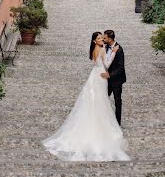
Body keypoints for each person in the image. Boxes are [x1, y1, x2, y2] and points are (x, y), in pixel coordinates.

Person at [43, 32, 129, 162]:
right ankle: (101, 124)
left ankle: (99, 120)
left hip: (95, 75)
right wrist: (114, 52)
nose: (102, 40)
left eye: (103, 38)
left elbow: (97, 63)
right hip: (101, 76)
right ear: (95, 41)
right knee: (100, 101)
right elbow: (107, 64)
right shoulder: (100, 49)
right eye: (99, 38)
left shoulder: (94, 49)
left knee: (96, 100)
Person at [102, 30, 126, 126]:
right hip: (106, 81)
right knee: (103, 99)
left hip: (116, 80)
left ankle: (117, 123)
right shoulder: (105, 46)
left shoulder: (119, 50)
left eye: (105, 38)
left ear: (110, 39)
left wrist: (110, 75)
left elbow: (121, 67)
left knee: (117, 102)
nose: (103, 39)